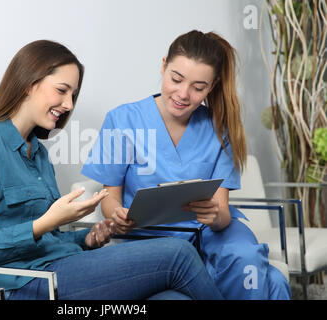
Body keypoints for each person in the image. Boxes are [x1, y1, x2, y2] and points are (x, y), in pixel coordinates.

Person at [0, 39, 224, 300]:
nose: (68, 105)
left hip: (54, 268)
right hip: (15, 286)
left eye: (73, 95)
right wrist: (47, 222)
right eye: (62, 91)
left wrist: (87, 238)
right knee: (178, 254)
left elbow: (46, 241)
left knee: (172, 298)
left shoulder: (37, 153)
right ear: (29, 82)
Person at [81, 30, 291, 300]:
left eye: (198, 87)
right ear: (163, 65)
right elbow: (109, 200)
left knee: (246, 258)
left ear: (212, 86)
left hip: (211, 233)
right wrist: (117, 215)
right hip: (150, 241)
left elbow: (223, 213)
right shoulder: (122, 120)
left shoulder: (220, 126)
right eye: (176, 79)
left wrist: (215, 216)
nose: (183, 94)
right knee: (273, 282)